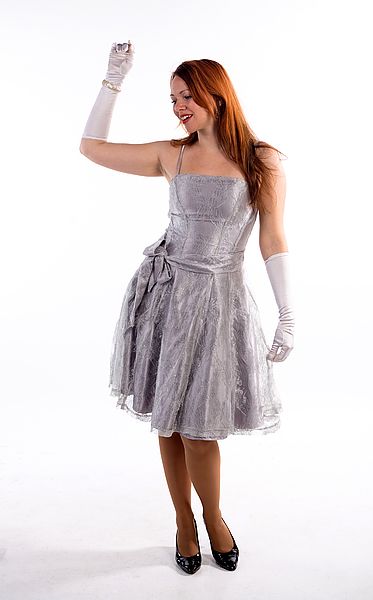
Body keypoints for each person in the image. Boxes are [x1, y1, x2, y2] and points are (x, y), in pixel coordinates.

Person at [79, 41, 294, 575]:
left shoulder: (261, 160)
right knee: (170, 421)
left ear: (216, 97)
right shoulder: (169, 154)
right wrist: (112, 81)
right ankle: (183, 522)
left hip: (219, 301)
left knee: (201, 426)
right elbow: (90, 147)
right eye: (172, 98)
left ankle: (214, 517)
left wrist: (287, 312)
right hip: (165, 295)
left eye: (187, 97)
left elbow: (272, 237)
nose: (178, 107)